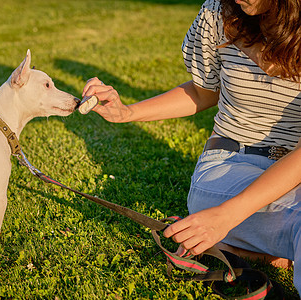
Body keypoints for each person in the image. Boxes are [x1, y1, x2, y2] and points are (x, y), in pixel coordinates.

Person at [82, 0, 301, 294]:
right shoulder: (216, 12)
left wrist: (228, 217)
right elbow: (203, 92)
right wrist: (128, 113)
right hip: (229, 164)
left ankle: (247, 249)